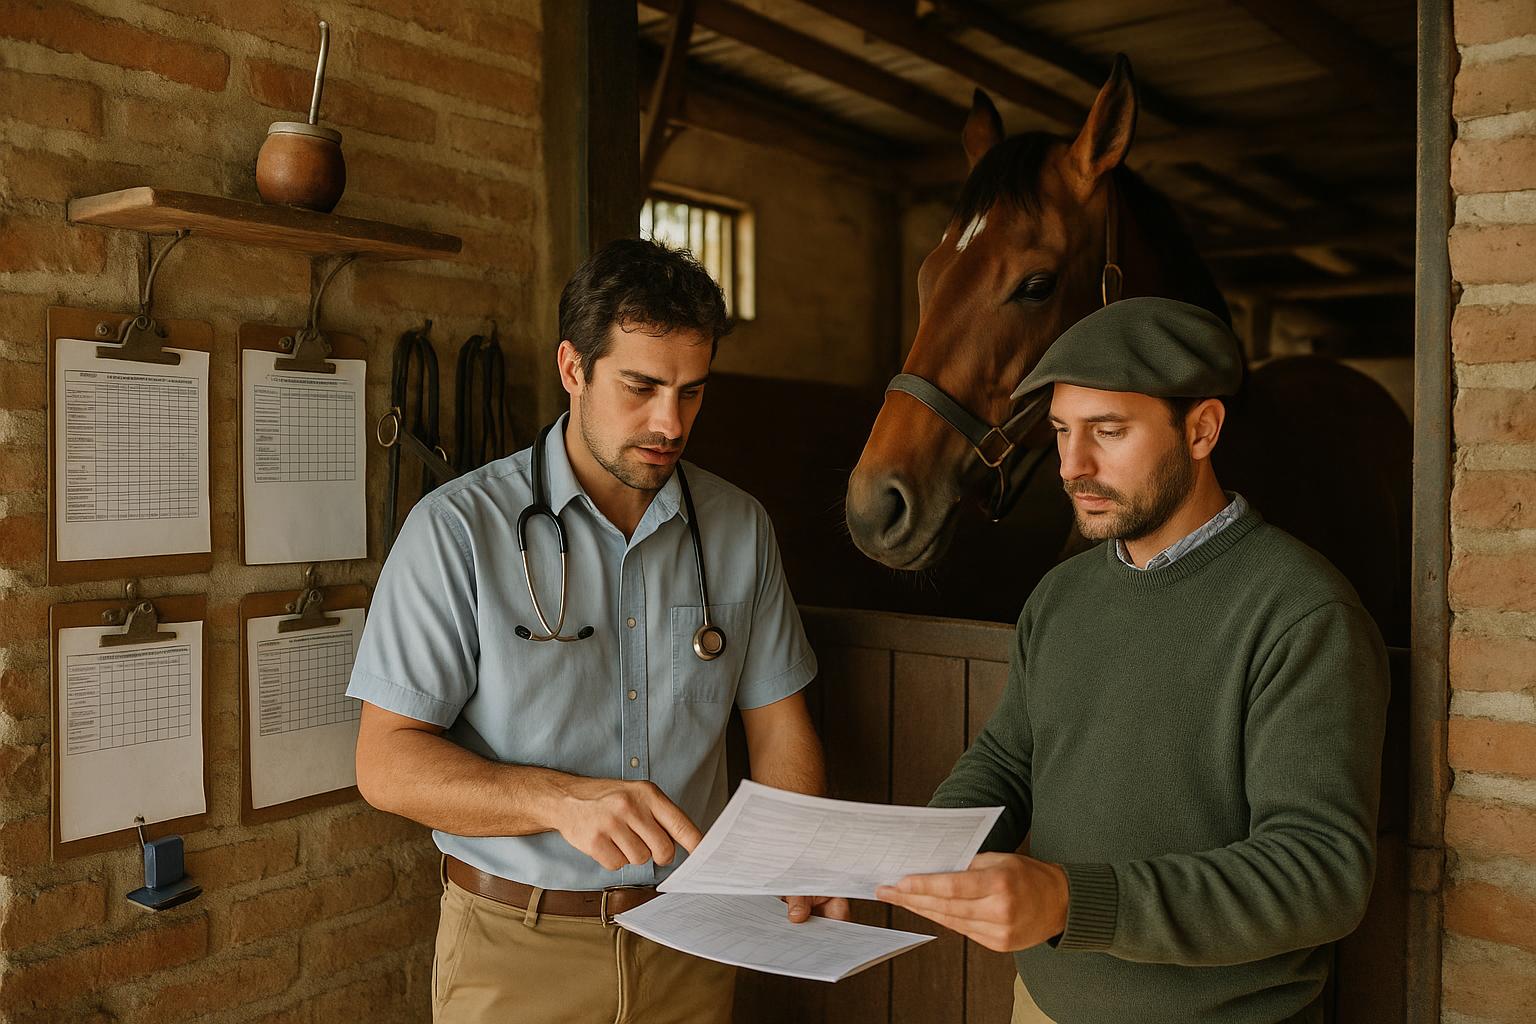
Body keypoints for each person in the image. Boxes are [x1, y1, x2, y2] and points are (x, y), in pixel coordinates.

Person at [348, 238, 844, 1024]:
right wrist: (563, 803)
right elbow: (386, 764)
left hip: (694, 942)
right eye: (641, 387)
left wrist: (800, 852)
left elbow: (779, 726)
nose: (669, 422)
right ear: (573, 368)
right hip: (517, 946)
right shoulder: (457, 530)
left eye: (691, 392)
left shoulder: (740, 528)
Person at [876, 297, 1389, 1024]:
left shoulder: (1302, 613)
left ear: (1202, 430)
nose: (1072, 466)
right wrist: (894, 864)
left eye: (1108, 431)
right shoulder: (1061, 595)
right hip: (1042, 1006)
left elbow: (1321, 875)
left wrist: (1070, 901)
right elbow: (1008, 761)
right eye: (1061, 431)